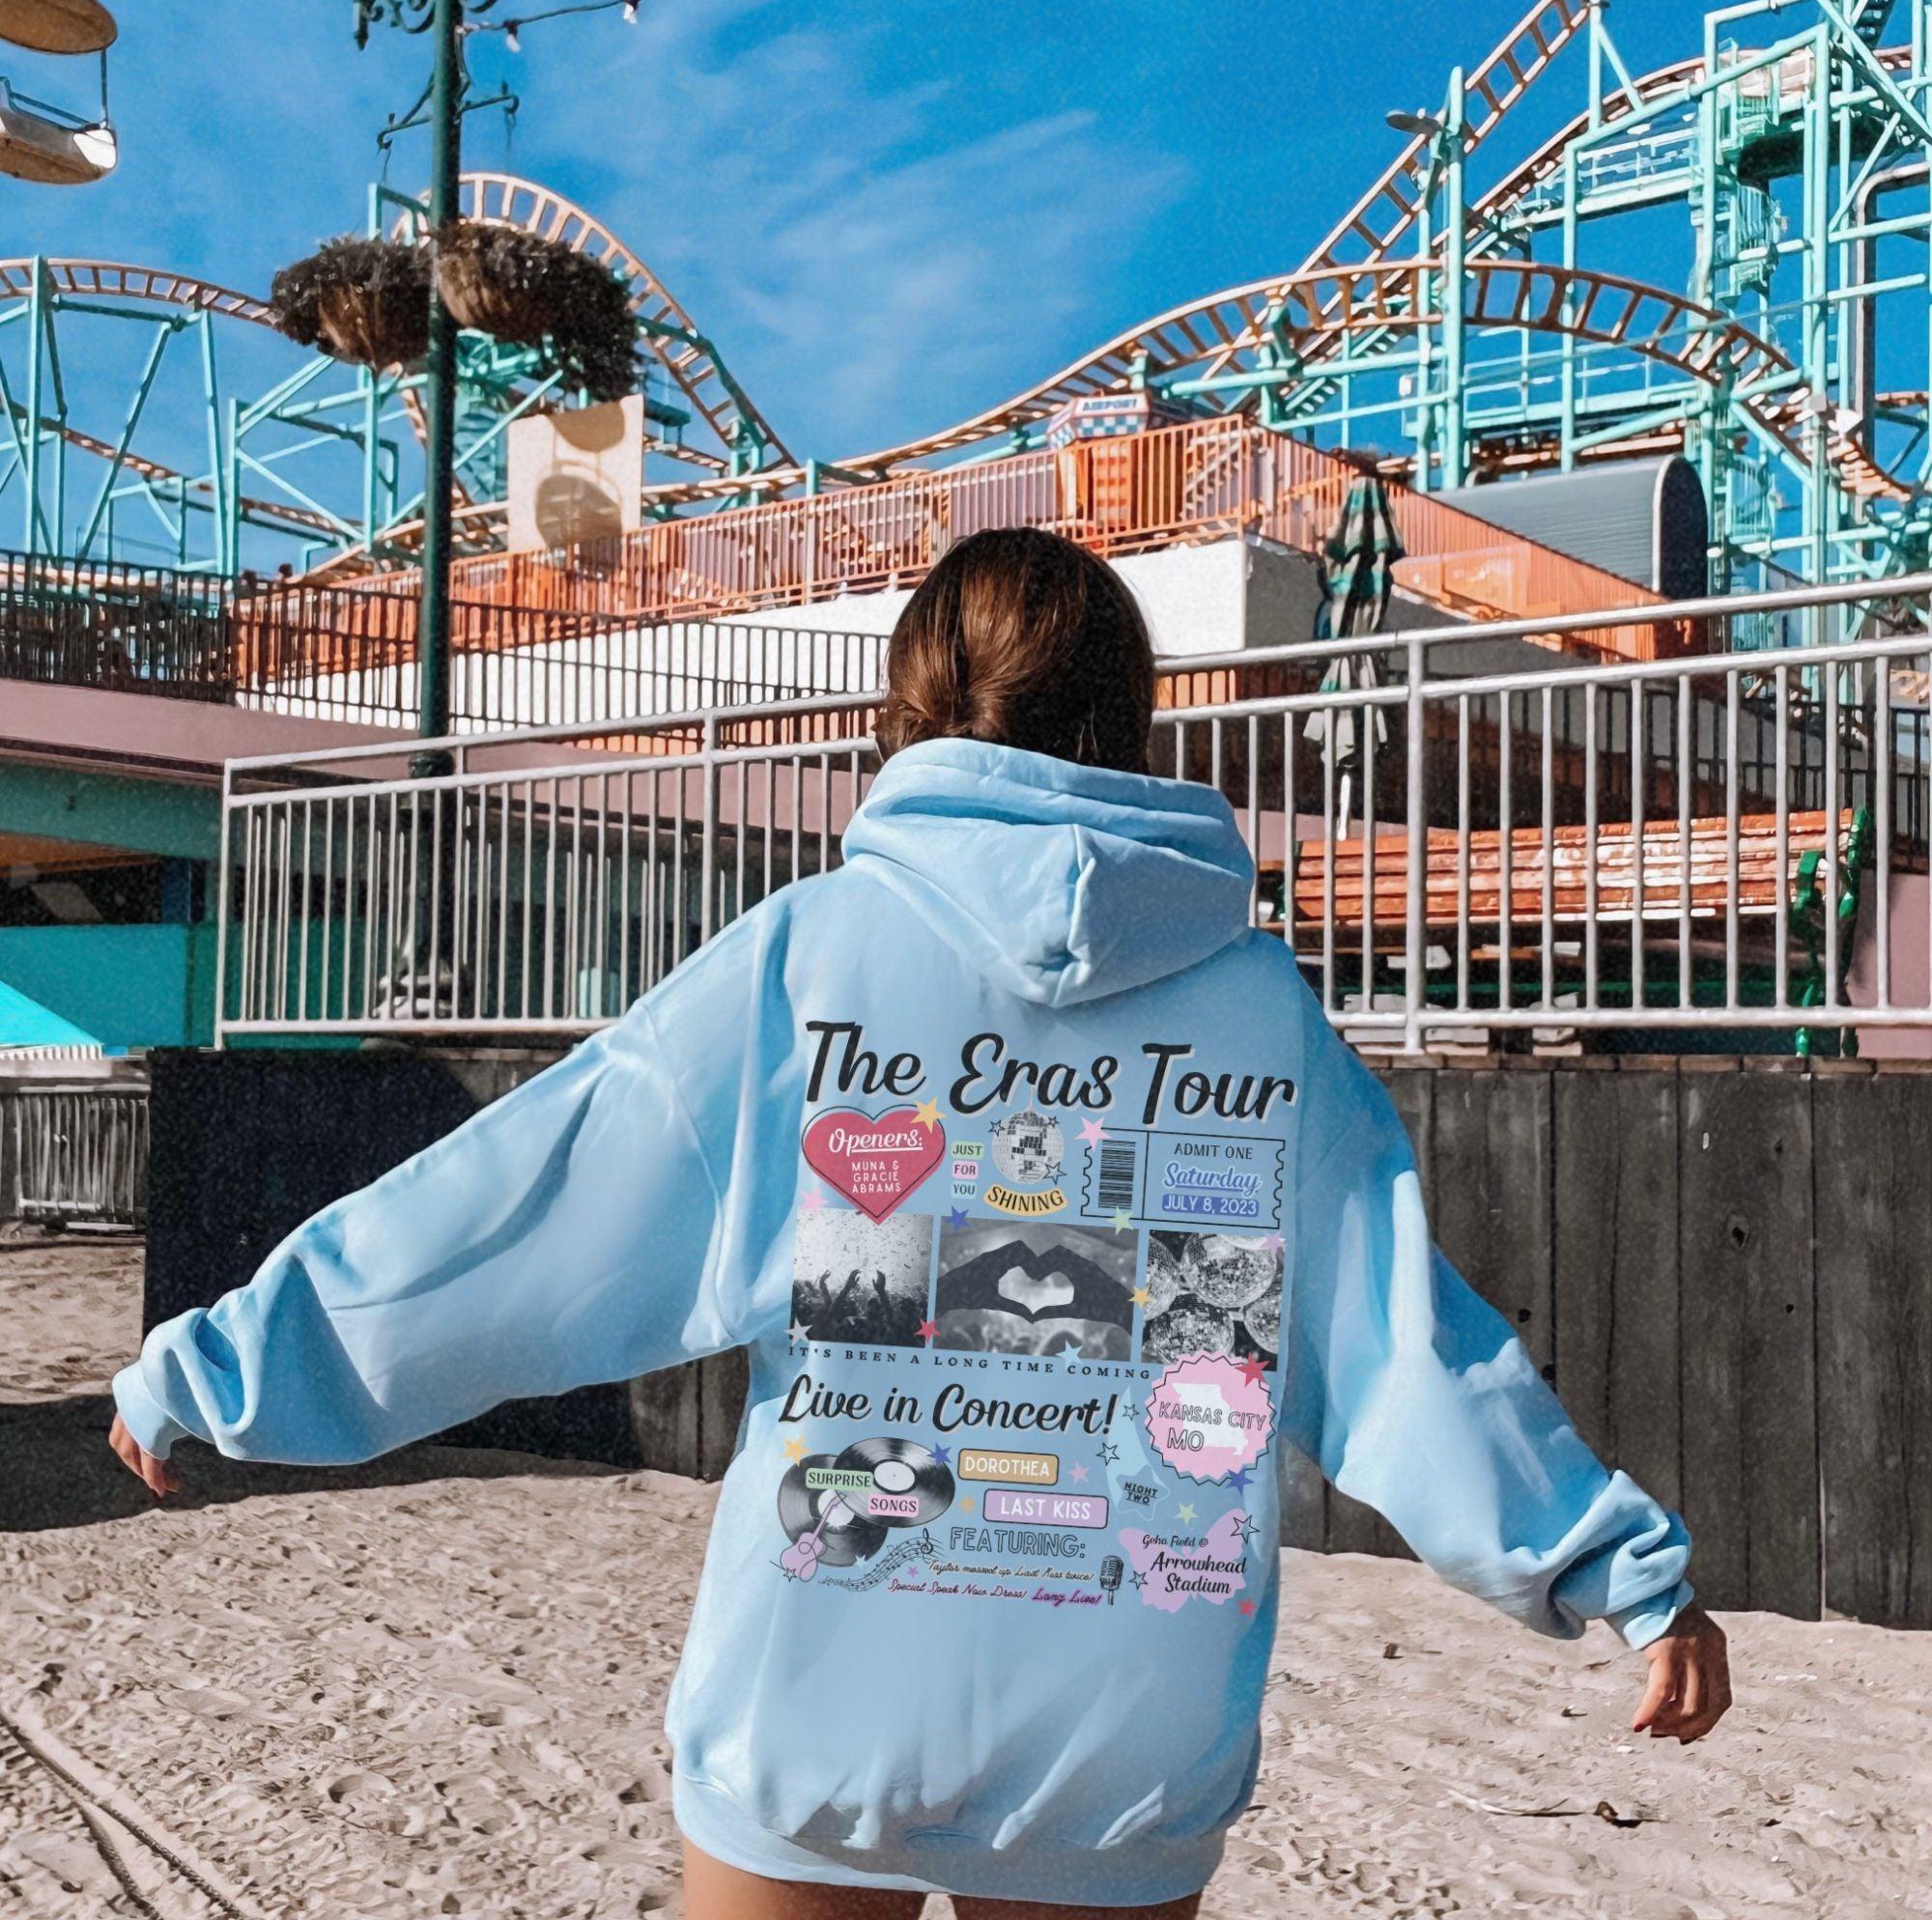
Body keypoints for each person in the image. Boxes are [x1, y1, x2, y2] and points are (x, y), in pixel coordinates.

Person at [111, 527, 1730, 1919]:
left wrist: (232, 1366)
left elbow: (523, 1211)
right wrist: (1610, 1567)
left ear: (910, 706)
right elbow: (1397, 1349)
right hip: (1129, 1712)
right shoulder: (1262, 1011)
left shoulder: (804, 961)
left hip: (825, 1674)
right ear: (1135, 718)